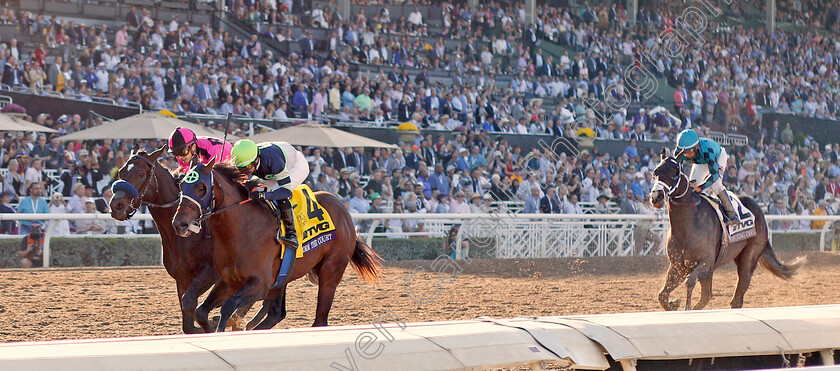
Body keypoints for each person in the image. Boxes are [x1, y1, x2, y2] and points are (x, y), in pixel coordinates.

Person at [230, 139, 309, 247]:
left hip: (294, 166)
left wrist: (264, 195)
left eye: (247, 168)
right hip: (270, 171)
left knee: (277, 194)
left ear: (256, 160)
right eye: (240, 168)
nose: (245, 172)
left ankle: (292, 234)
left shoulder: (273, 160)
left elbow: (285, 191)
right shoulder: (246, 158)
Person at [674, 129, 740, 225]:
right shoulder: (679, 152)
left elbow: (714, 175)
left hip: (717, 157)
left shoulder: (707, 150)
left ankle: (732, 214)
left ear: (697, 146)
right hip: (701, 161)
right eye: (684, 152)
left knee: (715, 185)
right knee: (692, 185)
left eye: (689, 151)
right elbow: (677, 170)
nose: (686, 155)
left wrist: (701, 187)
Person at [168, 127, 234, 173]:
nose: (180, 157)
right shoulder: (184, 153)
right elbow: (185, 173)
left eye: (182, 152)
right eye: (175, 153)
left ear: (193, 146)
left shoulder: (212, 150)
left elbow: (215, 175)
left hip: (226, 155)